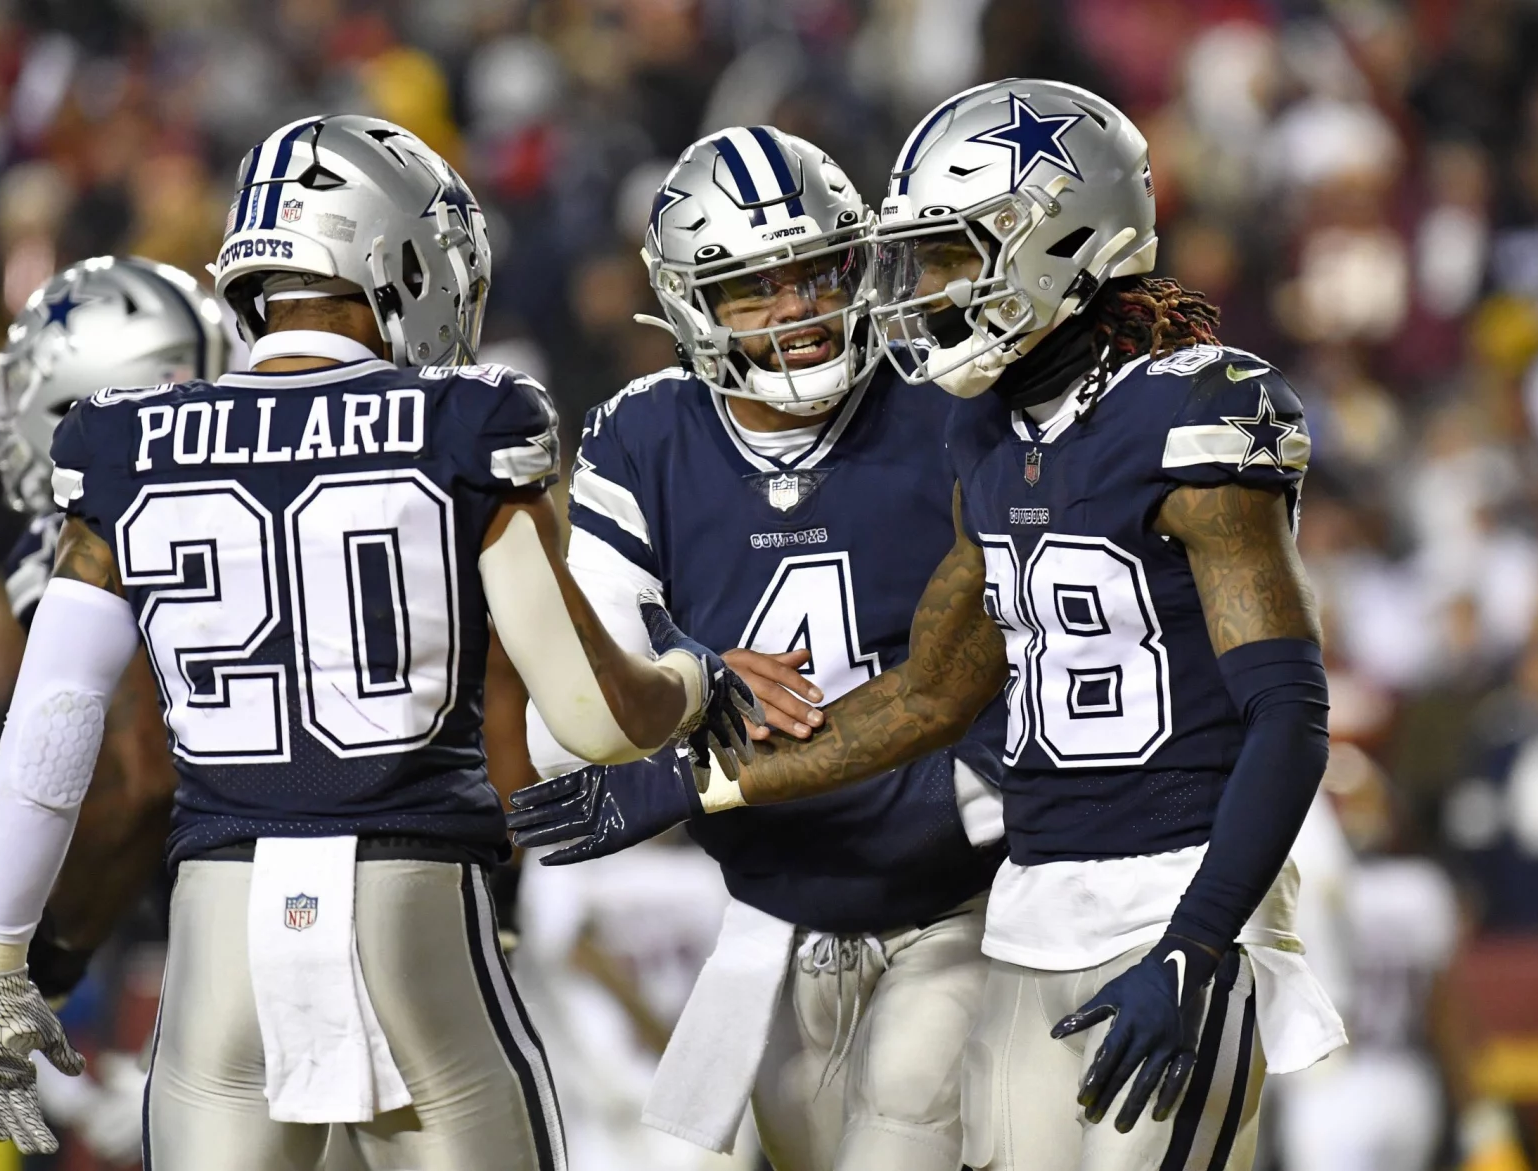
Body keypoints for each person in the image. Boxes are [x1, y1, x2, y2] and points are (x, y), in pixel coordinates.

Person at [527, 80, 1348, 1170]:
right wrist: (698, 777)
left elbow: (1288, 708)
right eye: (917, 260)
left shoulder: (1190, 412)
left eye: (956, 257)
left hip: (1160, 886)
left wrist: (1202, 935)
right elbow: (924, 693)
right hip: (1034, 901)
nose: (924, 293)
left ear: (1057, 239)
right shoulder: (986, 437)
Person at [0, 114, 756, 1171]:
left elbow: (50, 727)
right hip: (410, 903)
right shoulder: (464, 420)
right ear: (395, 259)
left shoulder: (124, 439)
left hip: (219, 927)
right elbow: (594, 717)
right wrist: (693, 682)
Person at [505, 127, 1006, 1171]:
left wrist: (691, 771)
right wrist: (696, 671)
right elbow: (571, 730)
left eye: (818, 271)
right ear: (692, 303)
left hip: (960, 896)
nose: (800, 312)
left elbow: (1012, 680)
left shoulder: (947, 408)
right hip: (773, 919)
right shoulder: (644, 435)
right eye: (754, 287)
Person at [0, 256, 228, 1003]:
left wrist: (45, 961)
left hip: (241, 907)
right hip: (416, 858)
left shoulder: (100, 525)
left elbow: (139, 777)